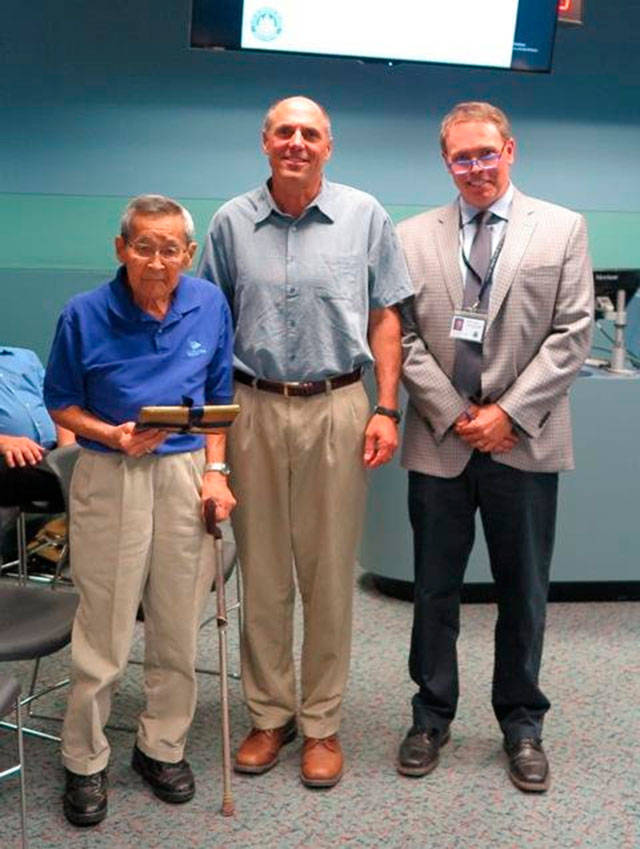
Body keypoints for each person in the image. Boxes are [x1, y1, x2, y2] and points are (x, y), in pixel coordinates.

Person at [198, 95, 412, 787]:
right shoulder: (231, 221)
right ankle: (270, 715)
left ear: (329, 145)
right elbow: (206, 321)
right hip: (253, 405)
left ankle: (321, 722)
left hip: (337, 405)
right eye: (285, 131)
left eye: (310, 133)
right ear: (265, 141)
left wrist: (386, 406)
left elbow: (386, 318)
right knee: (261, 571)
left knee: (326, 574)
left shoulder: (365, 215)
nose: (297, 142)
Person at [396, 102, 593, 792]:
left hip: (525, 440)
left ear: (510, 150)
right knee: (433, 589)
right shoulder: (411, 235)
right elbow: (405, 336)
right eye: (461, 157)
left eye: (486, 153)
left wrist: (507, 411)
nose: (475, 167)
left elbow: (572, 335)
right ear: (445, 162)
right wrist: (456, 414)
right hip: (441, 441)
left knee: (524, 589)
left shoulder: (562, 228)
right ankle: (430, 715)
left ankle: (521, 721)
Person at [43, 194, 236, 826]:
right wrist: (112, 433)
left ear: (190, 252)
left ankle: (161, 747)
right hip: (111, 468)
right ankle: (85, 759)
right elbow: (62, 405)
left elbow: (218, 398)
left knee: (178, 621)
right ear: (122, 247)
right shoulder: (84, 314)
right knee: (105, 624)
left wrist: (215, 472)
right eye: (144, 246)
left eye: (171, 249)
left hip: (184, 473)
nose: (158, 261)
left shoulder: (208, 303)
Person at [0, 346, 74, 554]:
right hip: (8, 457)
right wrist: (4, 441)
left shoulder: (24, 358)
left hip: (53, 454)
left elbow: (59, 405)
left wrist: (67, 453)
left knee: (94, 466)